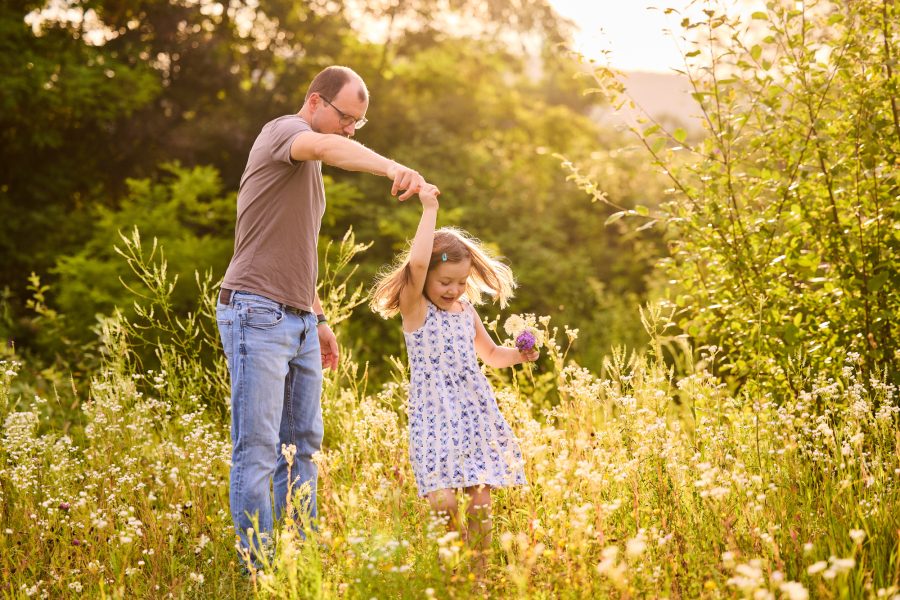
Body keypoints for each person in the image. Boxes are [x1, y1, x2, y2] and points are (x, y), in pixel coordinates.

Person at [217, 65, 436, 563]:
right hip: (254, 311)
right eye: (346, 118)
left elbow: (295, 249)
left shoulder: (306, 167)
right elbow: (326, 147)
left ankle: (302, 563)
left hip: (294, 317)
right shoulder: (285, 133)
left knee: (303, 446)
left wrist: (315, 317)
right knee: (258, 450)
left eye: (358, 123)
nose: (349, 130)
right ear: (315, 102)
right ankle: (262, 573)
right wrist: (389, 168)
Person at [370, 184, 536, 573]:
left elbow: (492, 355)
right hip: (432, 417)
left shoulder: (465, 312)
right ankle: (453, 568)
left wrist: (521, 355)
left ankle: (477, 572)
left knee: (480, 500)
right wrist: (429, 209)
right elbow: (414, 266)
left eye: (461, 282)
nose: (454, 289)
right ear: (427, 276)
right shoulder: (416, 311)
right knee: (443, 503)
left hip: (472, 414)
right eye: (445, 281)